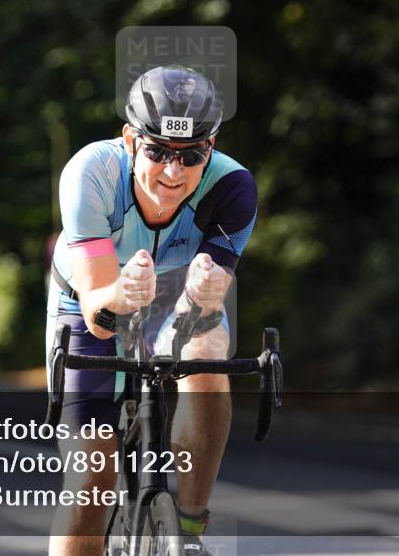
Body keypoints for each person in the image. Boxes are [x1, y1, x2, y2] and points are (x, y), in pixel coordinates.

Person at [47, 66, 257, 556]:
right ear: (129, 139)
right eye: (158, 150)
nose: (172, 171)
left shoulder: (233, 187)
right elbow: (99, 307)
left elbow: (208, 297)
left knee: (208, 350)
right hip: (90, 296)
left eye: (191, 155)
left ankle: (188, 528)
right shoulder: (91, 172)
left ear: (212, 147)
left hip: (174, 296)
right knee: (91, 479)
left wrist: (203, 296)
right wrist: (122, 295)